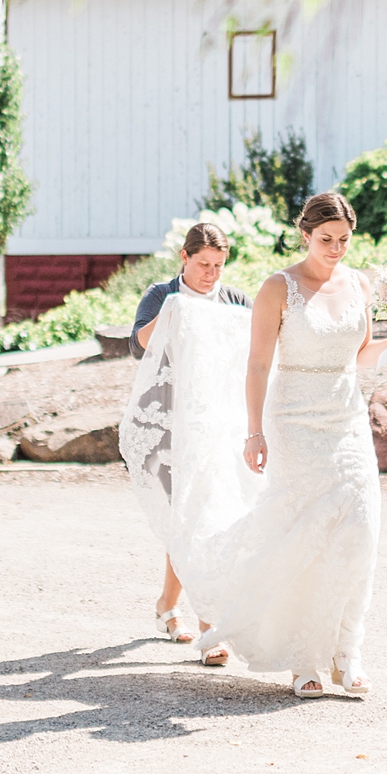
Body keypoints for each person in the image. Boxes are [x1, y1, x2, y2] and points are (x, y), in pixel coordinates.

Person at [201, 189, 387, 698]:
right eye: (326, 239)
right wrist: (253, 431)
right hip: (294, 418)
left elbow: (361, 356)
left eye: (344, 239)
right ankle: (305, 659)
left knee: (359, 530)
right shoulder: (278, 287)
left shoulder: (358, 284)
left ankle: (348, 654)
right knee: (307, 534)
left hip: (346, 417)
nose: (336, 248)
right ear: (305, 235)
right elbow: (257, 364)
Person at [126, 222, 251, 655]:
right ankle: (194, 617)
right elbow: (140, 343)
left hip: (219, 422)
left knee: (205, 516)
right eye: (203, 265)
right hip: (169, 424)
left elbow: (263, 340)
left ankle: (185, 613)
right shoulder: (162, 295)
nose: (211, 274)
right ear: (184, 257)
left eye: (218, 266)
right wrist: (176, 310)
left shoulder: (234, 300)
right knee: (186, 516)